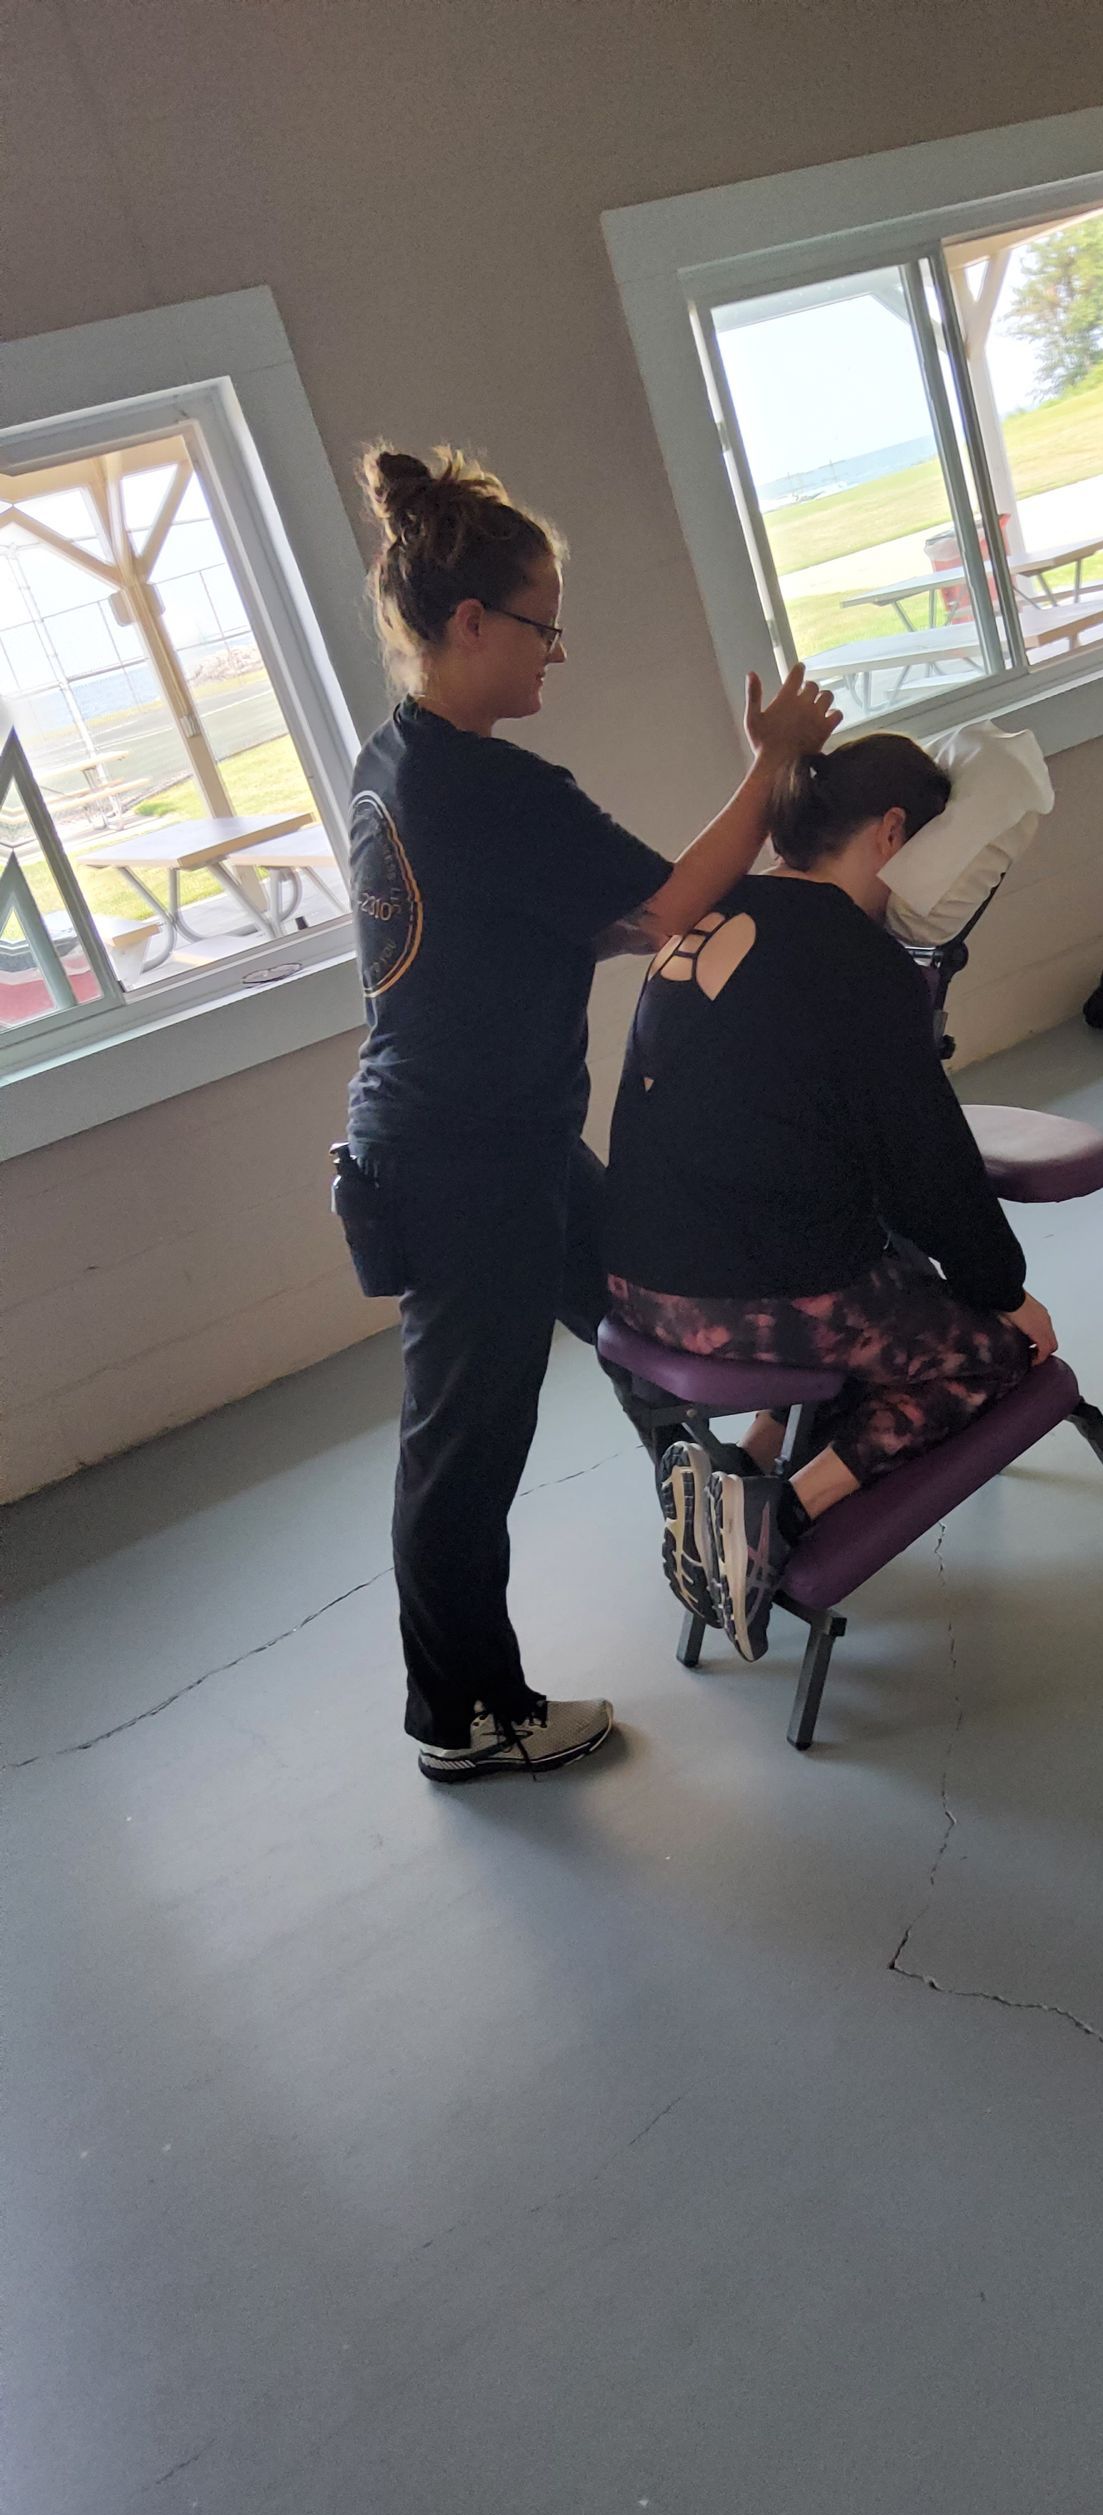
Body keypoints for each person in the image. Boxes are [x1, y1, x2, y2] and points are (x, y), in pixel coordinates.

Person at [340, 446, 839, 1781]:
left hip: (501, 1143)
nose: (554, 657)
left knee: (645, 1323)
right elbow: (668, 909)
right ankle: (465, 1718)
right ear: (469, 624)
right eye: (543, 628)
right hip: (465, 1173)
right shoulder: (487, 793)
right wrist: (775, 765)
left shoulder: (391, 761)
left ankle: (717, 1522)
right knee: (463, 1455)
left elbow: (598, 924)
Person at [602, 733, 1059, 1663]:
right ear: (894, 833)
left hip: (636, 1285)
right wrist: (1007, 1291)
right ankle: (775, 1517)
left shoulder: (713, 910)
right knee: (1001, 1351)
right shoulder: (856, 957)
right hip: (751, 1302)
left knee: (883, 1290)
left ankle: (755, 1457)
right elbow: (926, 1164)